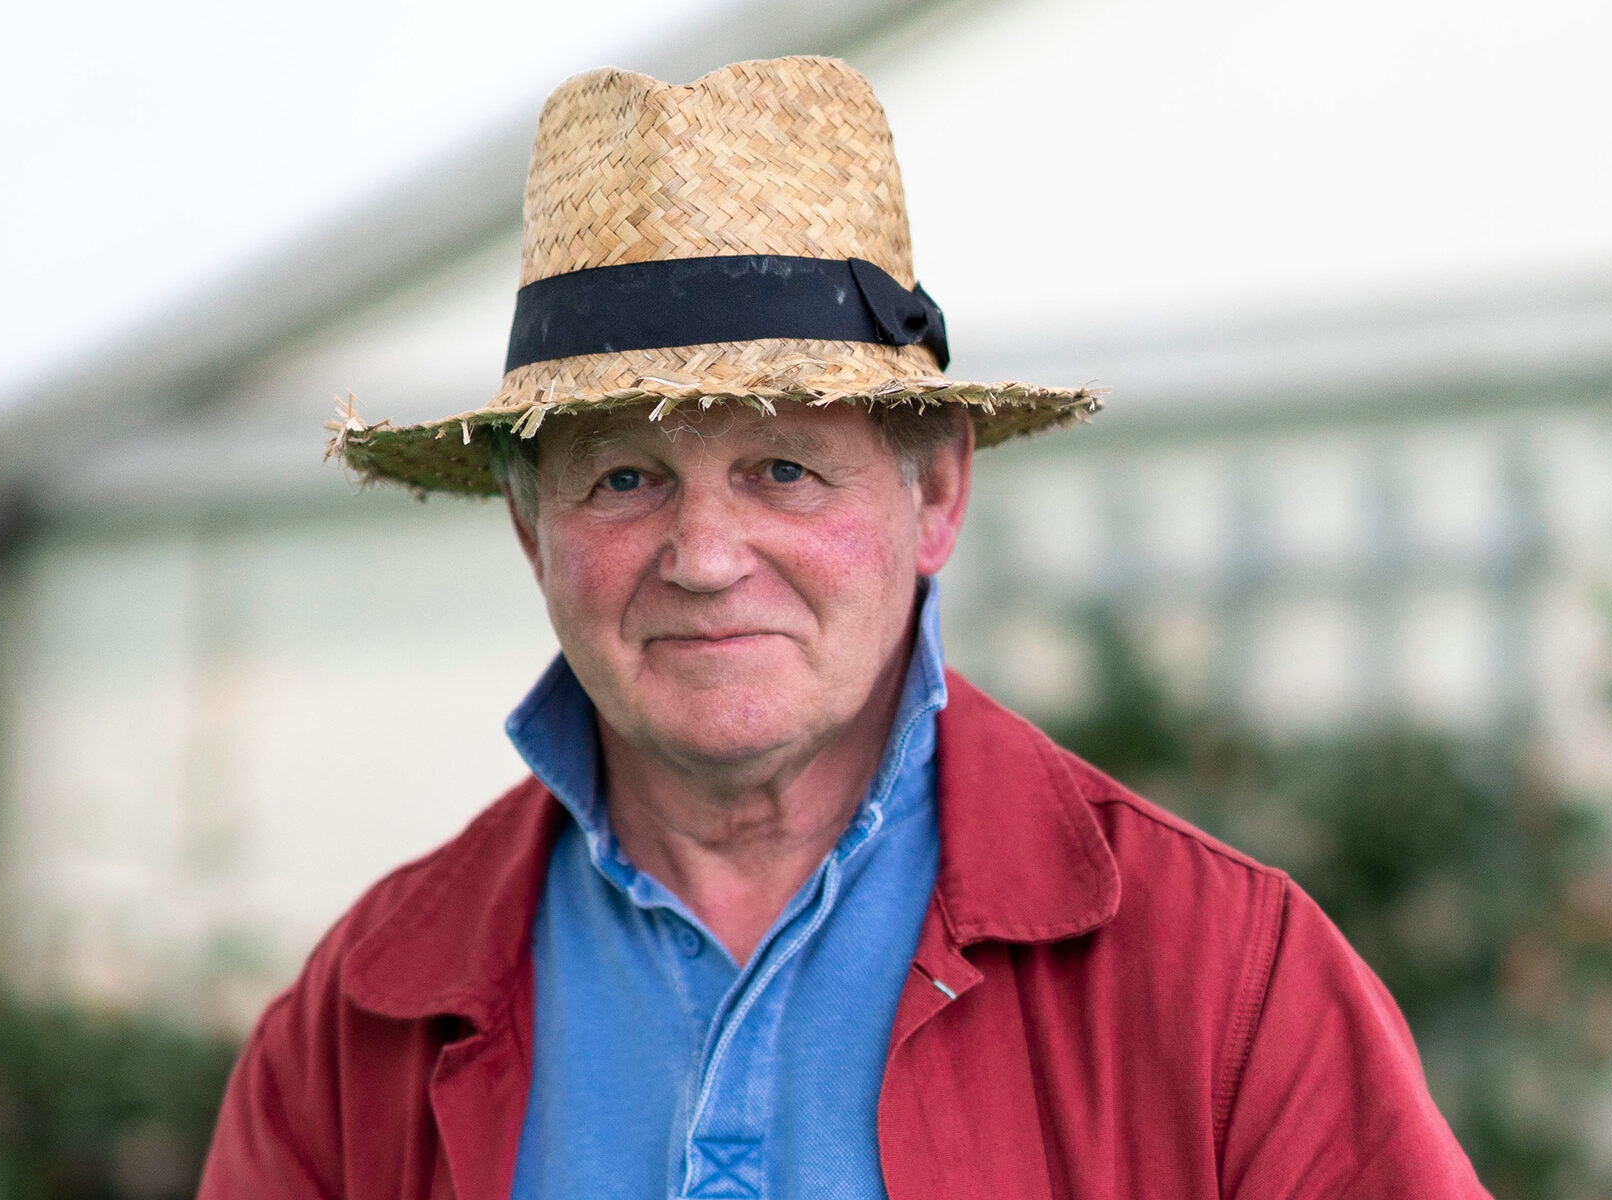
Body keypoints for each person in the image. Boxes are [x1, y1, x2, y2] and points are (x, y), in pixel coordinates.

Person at [199, 56, 1490, 1200]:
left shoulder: (1225, 977)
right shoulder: (358, 1019)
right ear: (534, 533)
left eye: (783, 469)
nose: (703, 559)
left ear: (934, 494)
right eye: (624, 478)